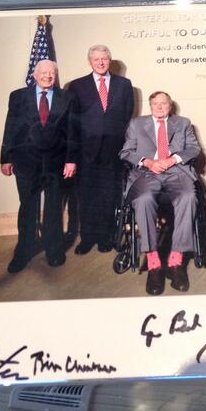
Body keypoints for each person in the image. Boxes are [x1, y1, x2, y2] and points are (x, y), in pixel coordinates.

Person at [0, 59, 77, 273]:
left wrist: (71, 159)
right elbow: (10, 127)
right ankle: (23, 252)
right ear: (34, 75)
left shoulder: (67, 97)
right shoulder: (17, 96)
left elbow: (73, 130)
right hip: (26, 161)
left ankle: (54, 251)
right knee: (28, 207)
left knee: (53, 207)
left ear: (56, 76)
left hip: (56, 163)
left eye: (52, 73)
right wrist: (5, 158)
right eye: (43, 72)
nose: (48, 76)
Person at [120, 91, 200, 296]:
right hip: (147, 173)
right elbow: (126, 152)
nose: (159, 107)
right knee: (143, 199)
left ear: (170, 106)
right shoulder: (137, 124)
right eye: (155, 103)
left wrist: (173, 159)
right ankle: (153, 262)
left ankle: (176, 260)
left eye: (164, 103)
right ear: (150, 106)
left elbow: (193, 149)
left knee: (188, 197)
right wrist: (148, 162)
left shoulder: (183, 123)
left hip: (176, 172)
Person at [68, 44, 134, 255]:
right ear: (90, 62)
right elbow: (72, 122)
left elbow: (127, 116)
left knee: (109, 195)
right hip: (85, 151)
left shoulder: (124, 85)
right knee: (87, 196)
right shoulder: (77, 86)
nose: (101, 62)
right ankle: (87, 238)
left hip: (113, 151)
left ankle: (106, 237)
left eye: (104, 59)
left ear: (110, 61)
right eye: (96, 59)